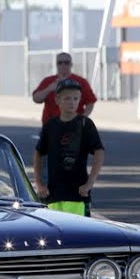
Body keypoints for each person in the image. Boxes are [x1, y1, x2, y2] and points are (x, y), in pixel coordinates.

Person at [32, 79, 105, 216]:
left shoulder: (85, 124)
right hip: (53, 195)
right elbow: (38, 153)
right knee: (53, 234)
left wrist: (89, 183)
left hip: (78, 194)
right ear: (57, 100)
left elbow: (99, 152)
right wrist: (39, 184)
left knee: (78, 234)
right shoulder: (50, 125)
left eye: (76, 98)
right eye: (67, 98)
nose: (72, 102)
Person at [32, 52, 97, 125]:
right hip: (51, 126)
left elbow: (90, 102)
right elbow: (36, 99)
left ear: (71, 64)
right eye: (60, 63)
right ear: (56, 65)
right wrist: (49, 88)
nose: (63, 65)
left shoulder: (81, 82)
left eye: (66, 62)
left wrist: (83, 117)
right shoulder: (48, 81)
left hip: (73, 125)